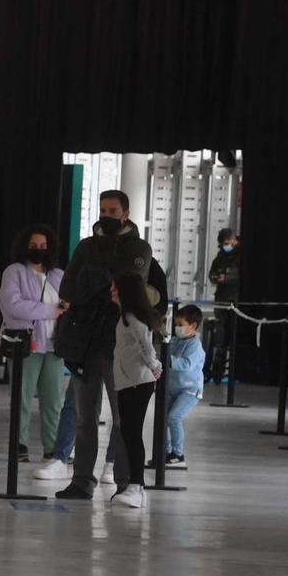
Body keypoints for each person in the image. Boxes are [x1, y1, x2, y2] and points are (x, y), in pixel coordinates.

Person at [54, 203, 155, 500]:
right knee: (85, 416)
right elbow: (70, 289)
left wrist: (95, 280)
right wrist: (102, 283)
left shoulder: (138, 247)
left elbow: (132, 285)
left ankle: (126, 482)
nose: (106, 214)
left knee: (123, 418)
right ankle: (82, 480)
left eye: (112, 210)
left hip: (120, 345)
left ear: (125, 213)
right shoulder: (86, 246)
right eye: (103, 209)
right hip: (86, 342)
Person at [0, 225, 68, 476]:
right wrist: (51, 311)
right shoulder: (14, 272)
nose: (39, 250)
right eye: (33, 245)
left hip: (55, 346)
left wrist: (65, 307)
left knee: (53, 402)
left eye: (43, 246)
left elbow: (69, 303)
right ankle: (18, 445)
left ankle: (53, 449)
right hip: (26, 345)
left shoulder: (59, 275)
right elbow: (13, 305)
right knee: (22, 398)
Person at [108, 275, 163, 509]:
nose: (111, 290)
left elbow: (145, 345)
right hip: (127, 381)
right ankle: (136, 486)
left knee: (132, 432)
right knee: (129, 432)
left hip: (138, 383)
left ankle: (136, 484)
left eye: (115, 287)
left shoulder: (132, 318)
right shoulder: (124, 317)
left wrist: (155, 366)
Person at [164, 303, 206, 466]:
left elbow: (185, 364)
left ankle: (178, 454)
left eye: (181, 325)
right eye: (176, 324)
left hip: (189, 390)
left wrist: (168, 360)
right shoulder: (175, 340)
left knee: (173, 418)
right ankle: (166, 452)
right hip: (172, 388)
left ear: (193, 326)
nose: (177, 328)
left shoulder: (195, 346)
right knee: (163, 419)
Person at [206, 227, 240, 382]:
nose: (225, 247)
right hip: (221, 301)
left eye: (227, 243)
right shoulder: (221, 256)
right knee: (220, 339)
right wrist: (214, 277)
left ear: (234, 240)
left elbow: (239, 274)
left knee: (234, 337)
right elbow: (212, 271)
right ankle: (216, 373)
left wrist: (226, 278)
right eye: (222, 244)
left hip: (235, 301)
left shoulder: (239, 255)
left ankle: (234, 373)